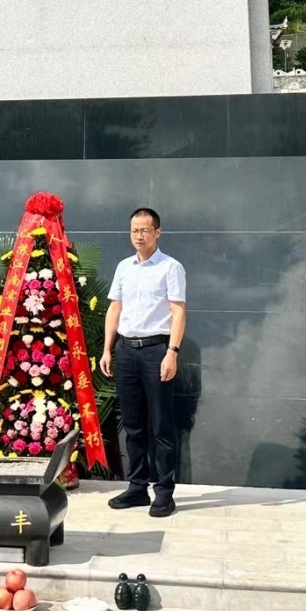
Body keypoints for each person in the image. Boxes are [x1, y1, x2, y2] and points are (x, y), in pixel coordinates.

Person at [100, 207, 186, 517]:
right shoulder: (124, 267)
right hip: (125, 351)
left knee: (161, 426)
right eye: (134, 230)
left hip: (155, 351)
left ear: (157, 232)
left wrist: (172, 352)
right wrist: (107, 349)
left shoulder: (170, 267)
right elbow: (114, 309)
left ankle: (164, 492)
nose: (139, 235)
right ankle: (137, 487)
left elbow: (178, 312)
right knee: (133, 425)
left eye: (145, 230)